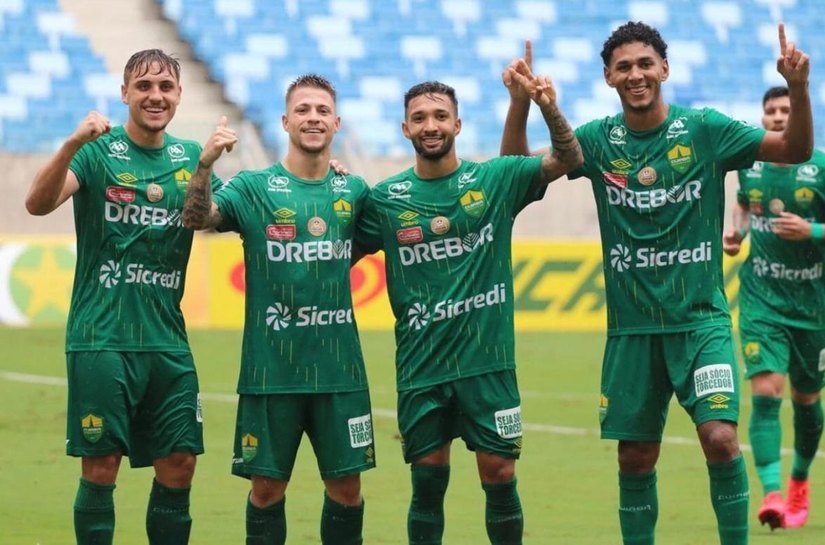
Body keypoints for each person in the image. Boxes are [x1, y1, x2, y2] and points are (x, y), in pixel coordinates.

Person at [500, 22, 812, 545]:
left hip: (701, 322)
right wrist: (520, 104)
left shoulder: (705, 129)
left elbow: (795, 149)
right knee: (636, 455)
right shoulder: (598, 140)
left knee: (718, 438)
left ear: (664, 68)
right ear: (607, 77)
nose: (636, 74)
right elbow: (516, 172)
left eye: (645, 63)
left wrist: (799, 89)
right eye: (623, 67)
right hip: (633, 332)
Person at [354, 78, 581, 545]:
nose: (430, 126)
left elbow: (569, 158)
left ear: (457, 123)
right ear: (404, 128)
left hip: (488, 364)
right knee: (427, 485)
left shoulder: (493, 179)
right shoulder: (385, 200)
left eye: (439, 116)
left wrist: (543, 105)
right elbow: (337, 250)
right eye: (419, 118)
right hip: (421, 367)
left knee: (499, 475)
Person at [25, 49, 220, 545]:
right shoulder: (96, 152)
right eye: (144, 86)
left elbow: (212, 221)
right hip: (101, 336)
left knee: (180, 463)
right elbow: (38, 204)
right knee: (102, 465)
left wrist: (207, 166)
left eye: (166, 87)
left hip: (167, 342)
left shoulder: (189, 159)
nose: (155, 95)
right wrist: (71, 143)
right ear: (125, 93)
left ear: (178, 95)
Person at [182, 74, 373, 545]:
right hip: (271, 373)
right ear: (286, 121)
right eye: (303, 110)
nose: (313, 118)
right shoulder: (253, 188)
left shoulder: (356, 192)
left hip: (339, 371)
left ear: (336, 123)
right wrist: (204, 165)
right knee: (266, 491)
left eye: (322, 110)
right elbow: (198, 219)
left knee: (348, 490)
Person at [722, 85, 825, 531]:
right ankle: (772, 495)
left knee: (806, 400)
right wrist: (737, 232)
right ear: (763, 118)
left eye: (786, 109)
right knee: (765, 393)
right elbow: (744, 206)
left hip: (812, 306)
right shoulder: (750, 164)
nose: (779, 117)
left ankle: (799, 480)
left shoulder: (819, 167)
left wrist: (813, 231)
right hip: (762, 299)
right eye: (771, 111)